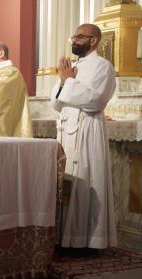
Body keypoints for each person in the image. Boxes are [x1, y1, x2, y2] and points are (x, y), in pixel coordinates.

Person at [49, 23, 117, 250]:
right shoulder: (73, 67)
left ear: (93, 40)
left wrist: (68, 81)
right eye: (74, 37)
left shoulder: (103, 66)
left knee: (87, 180)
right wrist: (63, 80)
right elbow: (56, 104)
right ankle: (64, 238)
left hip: (88, 132)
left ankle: (86, 240)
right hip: (67, 131)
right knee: (67, 183)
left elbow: (95, 100)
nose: (74, 41)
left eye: (80, 37)